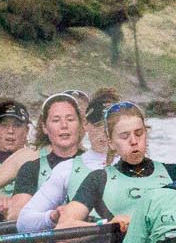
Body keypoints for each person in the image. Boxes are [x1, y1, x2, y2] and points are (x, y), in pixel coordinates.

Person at [52, 102, 176, 243]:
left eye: (139, 134)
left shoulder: (173, 173)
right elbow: (63, 227)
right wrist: (106, 225)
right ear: (111, 142)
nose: (133, 141)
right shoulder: (99, 179)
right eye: (124, 136)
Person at [0, 92, 85, 225]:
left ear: (81, 124)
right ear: (44, 127)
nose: (64, 125)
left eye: (70, 119)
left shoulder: (96, 162)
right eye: (56, 120)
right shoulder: (29, 159)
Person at [15, 88, 119, 235]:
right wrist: (53, 216)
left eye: (111, 125)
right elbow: (24, 222)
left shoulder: (142, 167)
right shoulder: (66, 169)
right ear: (85, 125)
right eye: (97, 124)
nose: (104, 131)